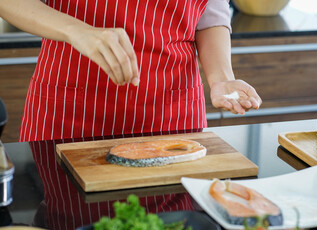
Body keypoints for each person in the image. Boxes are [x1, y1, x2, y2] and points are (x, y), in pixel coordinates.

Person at [0, 0, 262, 142]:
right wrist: (76, 30)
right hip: (72, 109)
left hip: (173, 113)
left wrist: (221, 78)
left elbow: (210, 14)